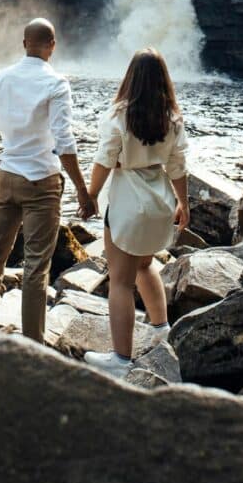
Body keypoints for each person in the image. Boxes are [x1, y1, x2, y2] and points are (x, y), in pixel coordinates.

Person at [0, 17, 95, 344]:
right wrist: (83, 190)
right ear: (52, 47)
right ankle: (32, 347)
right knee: (36, 267)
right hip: (42, 181)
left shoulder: (0, 79)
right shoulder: (56, 84)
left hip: (7, 177)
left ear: (24, 43)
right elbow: (64, 141)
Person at [83, 47, 189, 378]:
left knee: (120, 281)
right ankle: (161, 328)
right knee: (145, 264)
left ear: (131, 78)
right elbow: (178, 165)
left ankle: (120, 359)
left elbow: (104, 159)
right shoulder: (171, 118)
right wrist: (184, 203)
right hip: (159, 202)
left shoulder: (119, 115)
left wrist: (91, 195)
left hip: (129, 202)